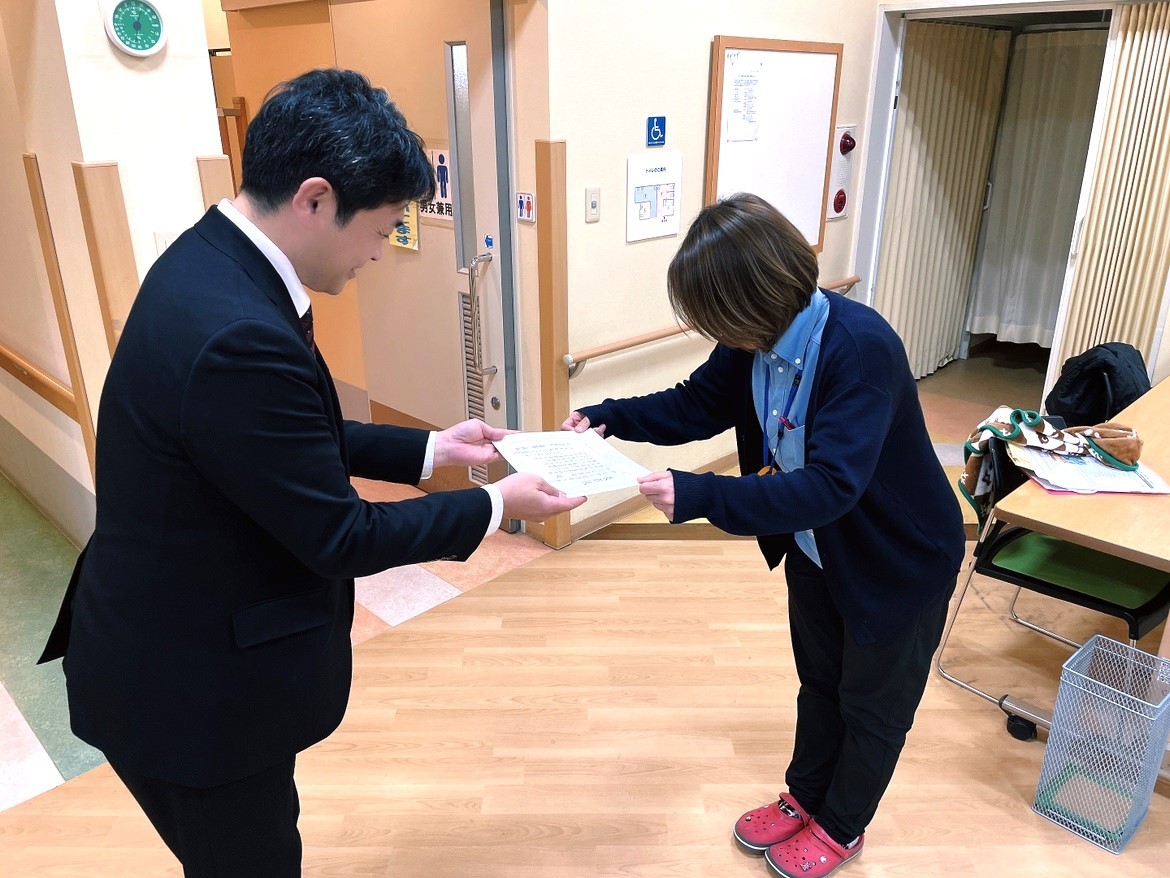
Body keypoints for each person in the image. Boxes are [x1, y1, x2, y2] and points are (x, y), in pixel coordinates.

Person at [37, 68, 583, 877]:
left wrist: (431, 450)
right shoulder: (237, 333)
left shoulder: (211, 261)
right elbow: (340, 534)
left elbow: (279, 438)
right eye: (381, 228)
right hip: (192, 692)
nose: (379, 252)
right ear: (317, 199)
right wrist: (496, 504)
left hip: (168, 648)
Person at [563, 193, 964, 878]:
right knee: (821, 682)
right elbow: (695, 404)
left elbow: (832, 485)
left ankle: (842, 825)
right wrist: (610, 416)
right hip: (815, 547)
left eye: (714, 314)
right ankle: (805, 795)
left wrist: (701, 494)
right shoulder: (756, 340)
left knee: (873, 706)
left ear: (753, 297)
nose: (712, 330)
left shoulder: (860, 348)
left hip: (897, 558)